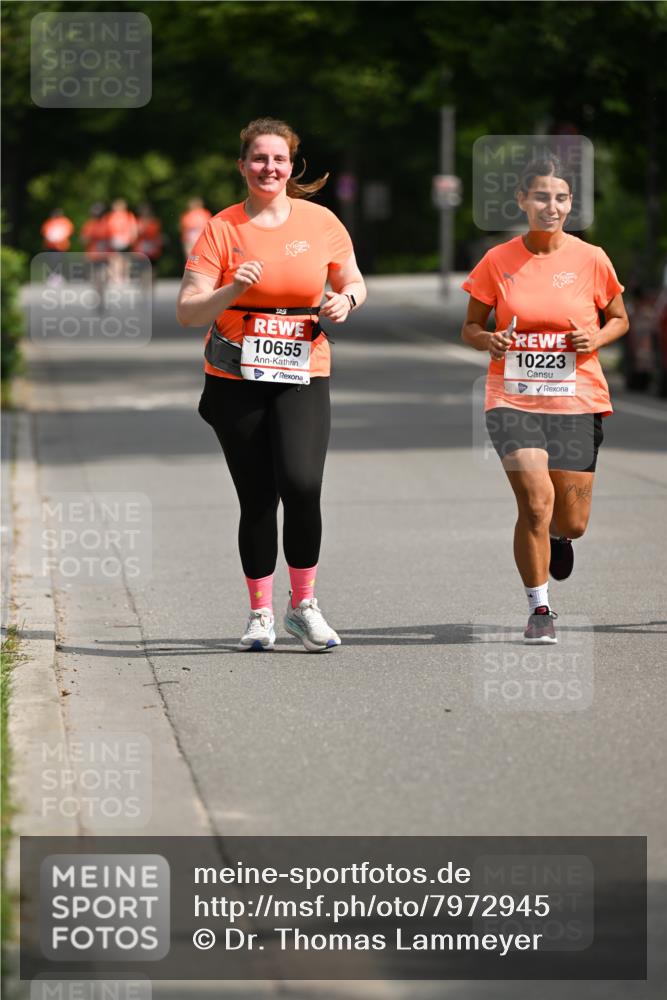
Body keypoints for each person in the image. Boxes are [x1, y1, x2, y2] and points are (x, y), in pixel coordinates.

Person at [176, 117, 366, 652]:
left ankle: (303, 606)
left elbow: (352, 279)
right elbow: (188, 311)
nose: (269, 167)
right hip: (235, 374)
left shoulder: (321, 221)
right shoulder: (222, 228)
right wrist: (231, 289)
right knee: (258, 497)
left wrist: (346, 300)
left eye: (278, 159)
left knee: (302, 485)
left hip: (303, 369)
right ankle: (260, 614)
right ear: (242, 166)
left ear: (291, 165)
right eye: (259, 158)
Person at [461, 153, 628, 643]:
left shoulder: (591, 258)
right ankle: (539, 608)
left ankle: (559, 538)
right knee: (535, 503)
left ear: (570, 203)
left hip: (576, 400)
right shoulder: (498, 260)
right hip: (512, 399)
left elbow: (619, 319)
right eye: (540, 197)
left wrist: (596, 337)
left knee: (571, 520)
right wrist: (488, 340)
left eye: (560, 198)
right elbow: (470, 326)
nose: (550, 206)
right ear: (522, 200)